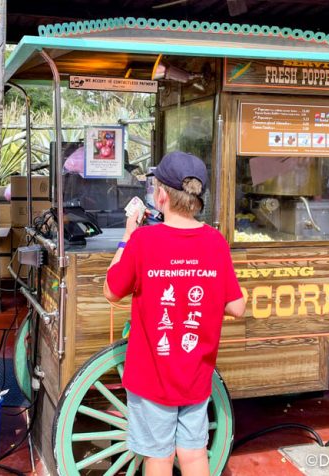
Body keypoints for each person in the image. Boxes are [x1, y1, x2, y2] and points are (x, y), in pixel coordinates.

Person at [103, 151, 245, 475]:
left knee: (159, 458)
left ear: (161, 195)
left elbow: (111, 290)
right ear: (197, 199)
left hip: (152, 378)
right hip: (195, 376)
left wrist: (126, 236)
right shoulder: (215, 243)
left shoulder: (143, 241)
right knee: (194, 455)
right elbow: (237, 307)